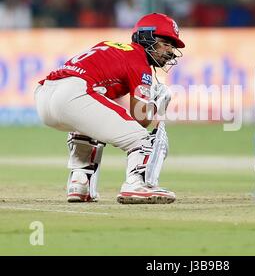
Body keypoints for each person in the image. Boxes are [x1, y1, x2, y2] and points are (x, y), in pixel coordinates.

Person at [34, 13, 185, 204]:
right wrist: (158, 102)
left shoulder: (111, 47)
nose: (170, 51)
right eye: (166, 43)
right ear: (146, 37)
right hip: (74, 93)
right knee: (143, 138)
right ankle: (137, 184)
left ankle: (80, 183)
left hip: (44, 94)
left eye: (172, 46)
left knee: (90, 125)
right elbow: (141, 117)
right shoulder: (138, 59)